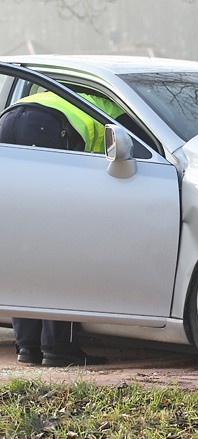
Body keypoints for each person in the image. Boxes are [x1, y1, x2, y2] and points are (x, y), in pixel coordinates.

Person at [0, 90, 128, 366]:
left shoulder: (70, 94)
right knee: (61, 243)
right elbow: (136, 154)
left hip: (9, 118)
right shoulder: (122, 111)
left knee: (26, 241)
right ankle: (60, 348)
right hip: (45, 127)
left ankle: (28, 346)